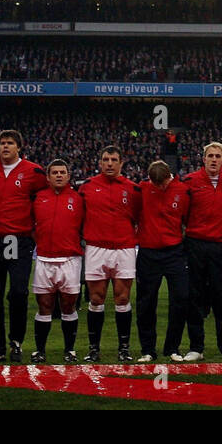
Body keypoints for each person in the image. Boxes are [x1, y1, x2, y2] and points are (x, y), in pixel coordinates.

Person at [0, 130, 48, 364]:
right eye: (2, 143)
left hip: (19, 239)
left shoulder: (34, 172)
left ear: (19, 147)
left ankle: (16, 341)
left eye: (10, 143)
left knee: (18, 292)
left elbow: (43, 200)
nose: (5, 146)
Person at [180, 142, 222, 361]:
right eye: (210, 156)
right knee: (194, 297)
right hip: (195, 244)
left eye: (218, 156)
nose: (214, 159)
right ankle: (196, 347)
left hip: (218, 245)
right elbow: (183, 213)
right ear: (203, 159)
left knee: (221, 297)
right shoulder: (190, 181)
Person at [79, 146, 141, 363]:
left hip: (124, 248)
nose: (109, 163)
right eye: (106, 159)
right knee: (96, 299)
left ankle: (124, 348)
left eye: (114, 160)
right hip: (96, 248)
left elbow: (139, 217)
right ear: (100, 162)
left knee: (122, 298)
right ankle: (93, 349)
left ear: (121, 163)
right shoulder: (87, 187)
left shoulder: (133, 189)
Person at [134, 160, 190, 362]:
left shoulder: (182, 191)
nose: (159, 187)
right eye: (155, 184)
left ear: (169, 177)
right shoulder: (141, 189)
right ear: (149, 179)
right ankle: (148, 350)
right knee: (146, 303)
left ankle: (172, 347)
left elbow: (188, 219)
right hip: (148, 253)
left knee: (181, 298)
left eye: (162, 184)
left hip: (174, 252)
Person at [30, 160, 84, 364]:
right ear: (48, 177)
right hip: (44, 258)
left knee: (68, 306)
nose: (59, 175)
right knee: (44, 305)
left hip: (70, 259)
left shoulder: (78, 199)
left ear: (68, 176)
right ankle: (39, 351)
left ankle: (70, 350)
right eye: (55, 172)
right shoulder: (38, 198)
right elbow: (31, 225)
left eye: (62, 172)